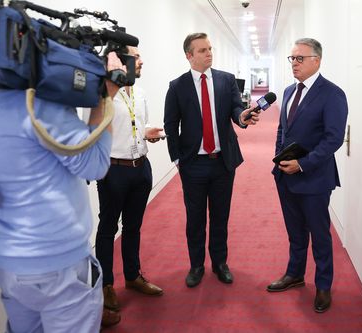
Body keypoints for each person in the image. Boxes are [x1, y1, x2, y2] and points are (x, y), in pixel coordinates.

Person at [0, 38, 125, 331]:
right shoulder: (38, 103)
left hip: (4, 261)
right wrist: (105, 98)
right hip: (58, 262)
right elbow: (94, 165)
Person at [164, 32, 259, 288]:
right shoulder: (177, 86)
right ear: (189, 55)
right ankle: (196, 265)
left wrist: (243, 117)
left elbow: (236, 109)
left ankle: (219, 263)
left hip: (222, 162)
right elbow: (170, 125)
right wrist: (177, 160)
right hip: (193, 163)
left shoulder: (226, 80)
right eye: (203, 50)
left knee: (220, 215)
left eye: (210, 48)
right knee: (195, 218)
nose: (209, 53)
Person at [267, 38, 348, 313]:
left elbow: (333, 139)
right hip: (285, 176)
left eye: (300, 58)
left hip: (314, 178)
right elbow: (283, 130)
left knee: (319, 234)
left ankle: (323, 285)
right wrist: (280, 157)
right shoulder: (289, 91)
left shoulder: (332, 94)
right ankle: (295, 273)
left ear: (317, 60)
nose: (295, 64)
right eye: (292, 59)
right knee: (295, 231)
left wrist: (302, 164)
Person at [95, 45, 164, 314]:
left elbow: (133, 125)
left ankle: (133, 276)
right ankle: (106, 286)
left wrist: (147, 132)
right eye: (137, 57)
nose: (142, 61)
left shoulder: (141, 91)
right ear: (120, 61)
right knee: (107, 228)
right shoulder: (104, 93)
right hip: (114, 170)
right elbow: (95, 131)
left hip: (140, 168)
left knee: (133, 226)